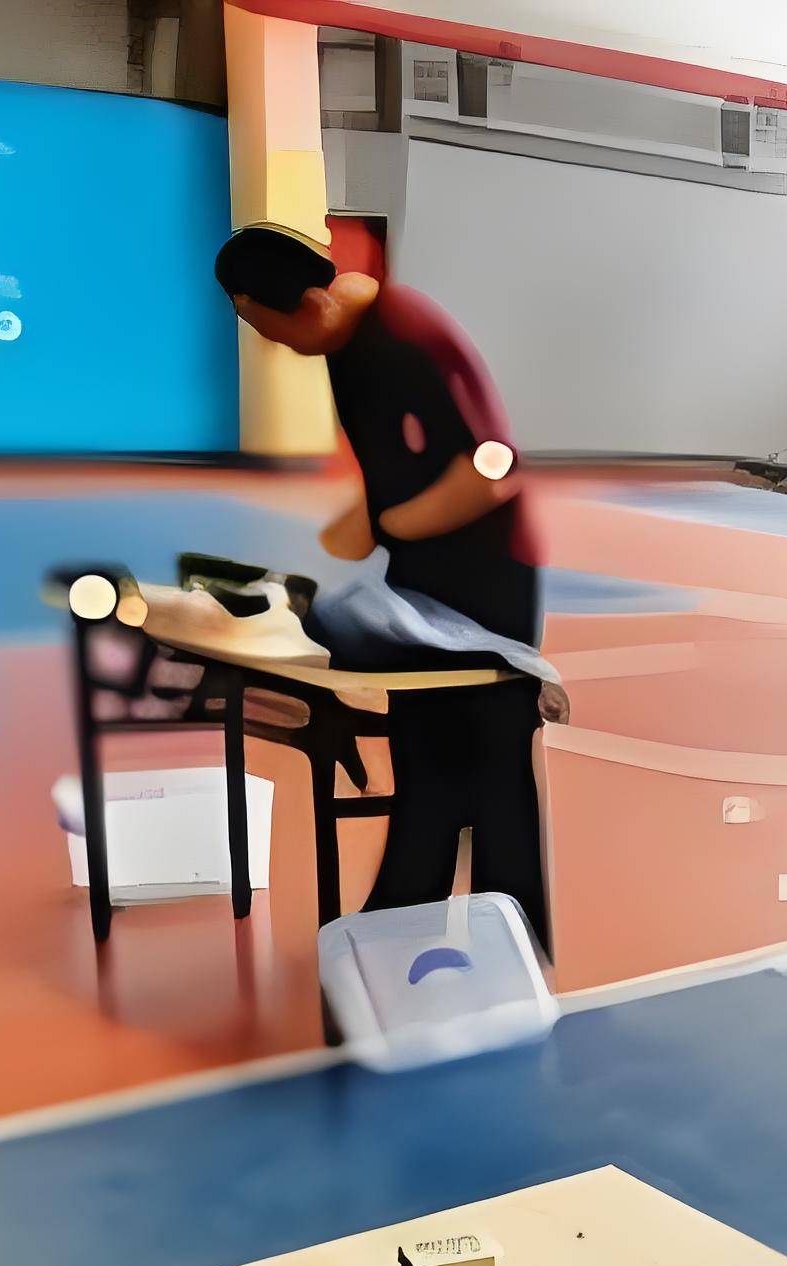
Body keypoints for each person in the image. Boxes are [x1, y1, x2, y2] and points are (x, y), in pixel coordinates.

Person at [213, 223, 558, 952]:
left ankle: (515, 933)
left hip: (489, 579)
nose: (272, 345)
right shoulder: (345, 345)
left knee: (494, 759)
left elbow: (493, 465)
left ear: (310, 304)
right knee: (426, 748)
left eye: (267, 329)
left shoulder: (407, 331)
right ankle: (410, 908)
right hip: (423, 574)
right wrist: (360, 527)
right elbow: (404, 468)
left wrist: (394, 521)